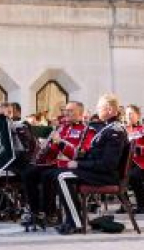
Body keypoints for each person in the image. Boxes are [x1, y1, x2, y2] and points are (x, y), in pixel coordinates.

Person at [54, 94, 127, 235]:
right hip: (99, 172)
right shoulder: (108, 128)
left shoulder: (114, 131)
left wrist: (79, 165)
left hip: (106, 176)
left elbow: (108, 164)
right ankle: (74, 218)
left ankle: (75, 222)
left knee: (62, 177)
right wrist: (80, 158)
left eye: (100, 107)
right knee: (60, 173)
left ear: (110, 110)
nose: (97, 110)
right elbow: (97, 155)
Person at [21, 101, 87, 229]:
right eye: (66, 110)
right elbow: (53, 150)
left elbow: (79, 154)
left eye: (70, 111)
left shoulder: (85, 130)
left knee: (47, 175)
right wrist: (44, 146)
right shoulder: (62, 128)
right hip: (54, 163)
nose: (66, 113)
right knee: (28, 173)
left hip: (70, 165)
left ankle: (50, 213)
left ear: (80, 114)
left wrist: (60, 142)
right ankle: (35, 212)